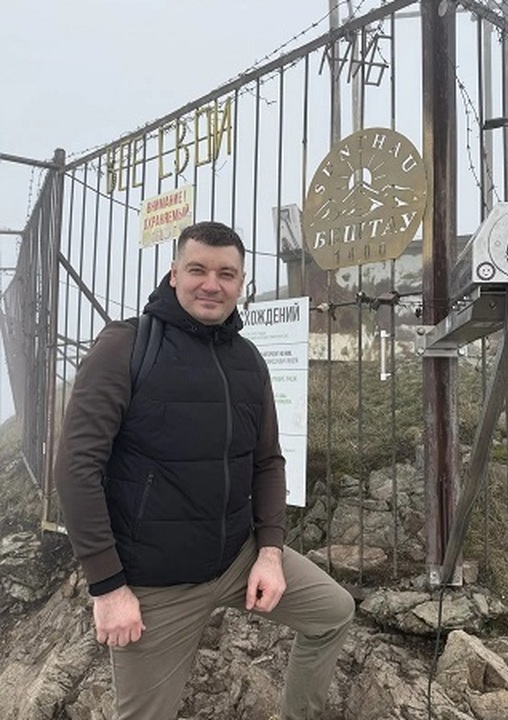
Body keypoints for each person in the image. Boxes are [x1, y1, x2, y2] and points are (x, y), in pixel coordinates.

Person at [54, 221, 354, 720]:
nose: (212, 284)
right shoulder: (125, 347)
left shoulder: (248, 360)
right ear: (174, 274)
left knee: (333, 612)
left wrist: (271, 553)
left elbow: (267, 461)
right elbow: (76, 468)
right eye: (197, 269)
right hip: (155, 584)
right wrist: (107, 587)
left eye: (226, 274)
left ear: (240, 283)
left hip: (238, 559)